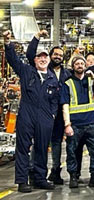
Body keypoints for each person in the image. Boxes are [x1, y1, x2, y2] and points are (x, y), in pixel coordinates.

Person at [4, 30, 61, 192]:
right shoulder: (27, 71)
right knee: (23, 147)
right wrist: (8, 43)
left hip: (45, 116)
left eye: (45, 57)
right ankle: (22, 181)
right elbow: (13, 60)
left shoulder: (52, 78)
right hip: (27, 114)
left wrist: (52, 114)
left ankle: (40, 178)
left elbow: (55, 99)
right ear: (34, 60)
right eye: (39, 57)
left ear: (48, 60)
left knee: (42, 148)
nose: (42, 59)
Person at [25, 30, 70, 186]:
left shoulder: (66, 74)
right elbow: (30, 55)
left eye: (60, 55)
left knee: (56, 143)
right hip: (42, 112)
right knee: (39, 143)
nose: (58, 57)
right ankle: (33, 172)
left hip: (57, 115)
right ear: (50, 55)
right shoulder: (42, 67)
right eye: (55, 54)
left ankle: (55, 172)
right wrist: (37, 36)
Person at [61, 56, 94, 188]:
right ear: (73, 67)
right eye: (77, 64)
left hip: (90, 123)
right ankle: (74, 177)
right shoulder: (67, 83)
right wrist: (67, 124)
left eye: (82, 63)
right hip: (75, 124)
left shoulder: (90, 81)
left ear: (85, 66)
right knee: (72, 152)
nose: (80, 65)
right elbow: (65, 105)